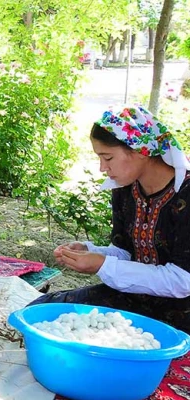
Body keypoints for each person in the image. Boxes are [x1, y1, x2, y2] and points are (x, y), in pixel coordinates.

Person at [29, 106, 190, 332]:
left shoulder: (186, 194)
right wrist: (90, 251)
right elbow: (124, 251)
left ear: (139, 151)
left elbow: (182, 281)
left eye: (108, 158)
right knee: (42, 310)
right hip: (135, 297)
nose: (103, 168)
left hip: (182, 312)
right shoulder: (125, 189)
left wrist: (102, 265)